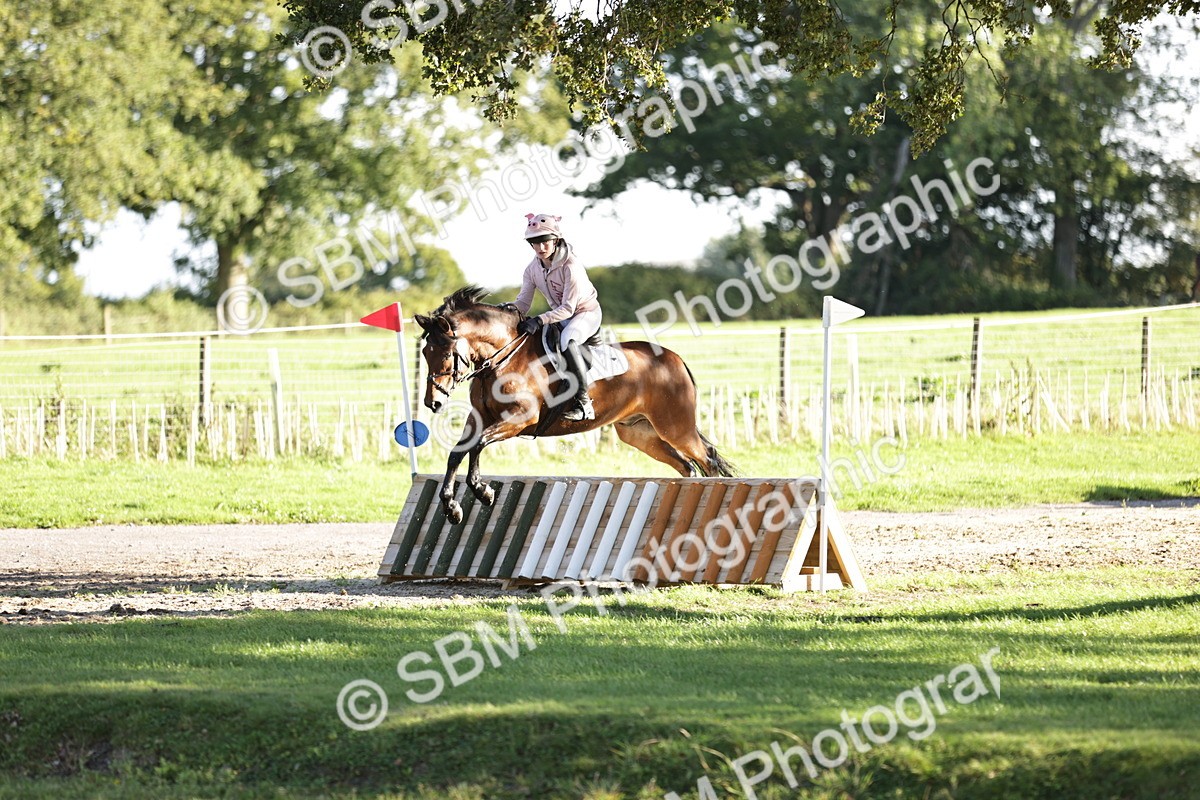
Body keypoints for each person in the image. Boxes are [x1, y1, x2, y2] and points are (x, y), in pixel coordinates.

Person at [510, 213, 602, 421]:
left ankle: (584, 403)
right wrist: (505, 310)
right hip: (560, 316)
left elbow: (569, 309)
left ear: (556, 240)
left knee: (567, 341)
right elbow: (523, 304)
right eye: (535, 243)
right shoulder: (532, 269)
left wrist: (540, 319)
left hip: (585, 313)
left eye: (545, 242)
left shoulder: (571, 266)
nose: (540, 248)